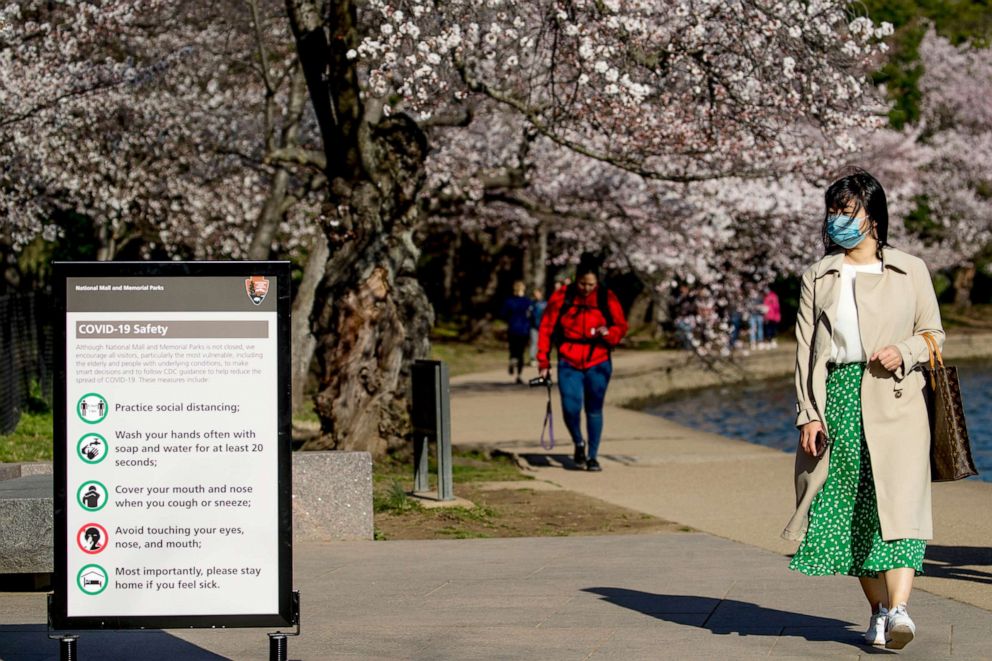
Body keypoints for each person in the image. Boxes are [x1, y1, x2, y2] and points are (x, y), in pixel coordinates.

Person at [783, 169, 944, 650]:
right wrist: (808, 413)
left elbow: (935, 333)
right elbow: (805, 351)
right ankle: (878, 611)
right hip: (839, 398)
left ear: (872, 215)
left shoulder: (909, 268)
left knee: (900, 504)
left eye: (846, 210)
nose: (838, 220)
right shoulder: (819, 275)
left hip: (895, 397)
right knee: (848, 507)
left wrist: (905, 349)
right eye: (833, 211)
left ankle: (899, 610)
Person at [536, 255, 628, 471]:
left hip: (599, 360)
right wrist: (543, 361)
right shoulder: (562, 297)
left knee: (594, 409)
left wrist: (610, 334)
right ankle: (578, 442)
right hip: (569, 360)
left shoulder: (607, 297)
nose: (587, 288)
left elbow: (621, 326)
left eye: (591, 285)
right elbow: (546, 328)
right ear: (576, 280)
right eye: (583, 284)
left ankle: (593, 456)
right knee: (570, 407)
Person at [500, 281, 533, 384]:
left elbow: (503, 314)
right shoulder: (527, 302)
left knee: (513, 350)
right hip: (523, 329)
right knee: (521, 352)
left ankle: (512, 360)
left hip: (512, 328)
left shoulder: (509, 301)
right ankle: (519, 375)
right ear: (523, 289)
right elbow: (532, 315)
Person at [528, 288, 547, 366]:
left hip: (543, 326)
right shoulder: (531, 304)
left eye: (537, 293)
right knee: (534, 342)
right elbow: (528, 315)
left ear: (541, 294)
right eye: (534, 294)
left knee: (542, 344)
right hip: (533, 326)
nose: (536, 295)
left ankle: (542, 358)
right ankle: (533, 358)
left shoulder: (545, 304)